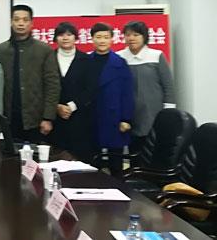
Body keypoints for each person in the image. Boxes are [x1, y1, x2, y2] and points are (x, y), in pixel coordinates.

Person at [0, 4, 60, 143]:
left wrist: (48, 118)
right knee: (8, 155)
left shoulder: (44, 50)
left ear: (31, 23)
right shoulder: (1, 50)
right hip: (9, 118)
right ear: (11, 22)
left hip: (35, 119)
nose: (21, 23)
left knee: (34, 156)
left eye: (25, 20)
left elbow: (53, 85)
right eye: (16, 19)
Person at [117, 20, 176, 153]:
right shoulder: (119, 57)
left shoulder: (156, 55)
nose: (131, 38)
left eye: (136, 35)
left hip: (153, 112)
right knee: (134, 151)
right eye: (128, 35)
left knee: (154, 150)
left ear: (144, 36)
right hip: (129, 113)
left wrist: (168, 112)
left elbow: (168, 86)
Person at [89, 22, 134, 176]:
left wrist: (126, 119)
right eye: (98, 37)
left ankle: (118, 189)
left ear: (111, 39)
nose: (102, 41)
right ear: (92, 39)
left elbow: (127, 93)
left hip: (114, 117)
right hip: (92, 116)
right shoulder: (85, 61)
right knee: (92, 162)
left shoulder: (120, 63)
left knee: (116, 163)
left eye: (106, 37)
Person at [51, 22, 95, 162]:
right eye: (61, 35)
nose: (65, 38)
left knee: (80, 160)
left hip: (79, 117)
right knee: (55, 160)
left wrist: (71, 106)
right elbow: (42, 86)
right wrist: (56, 106)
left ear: (75, 37)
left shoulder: (86, 60)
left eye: (69, 35)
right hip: (54, 118)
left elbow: (91, 89)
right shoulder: (48, 58)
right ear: (55, 38)